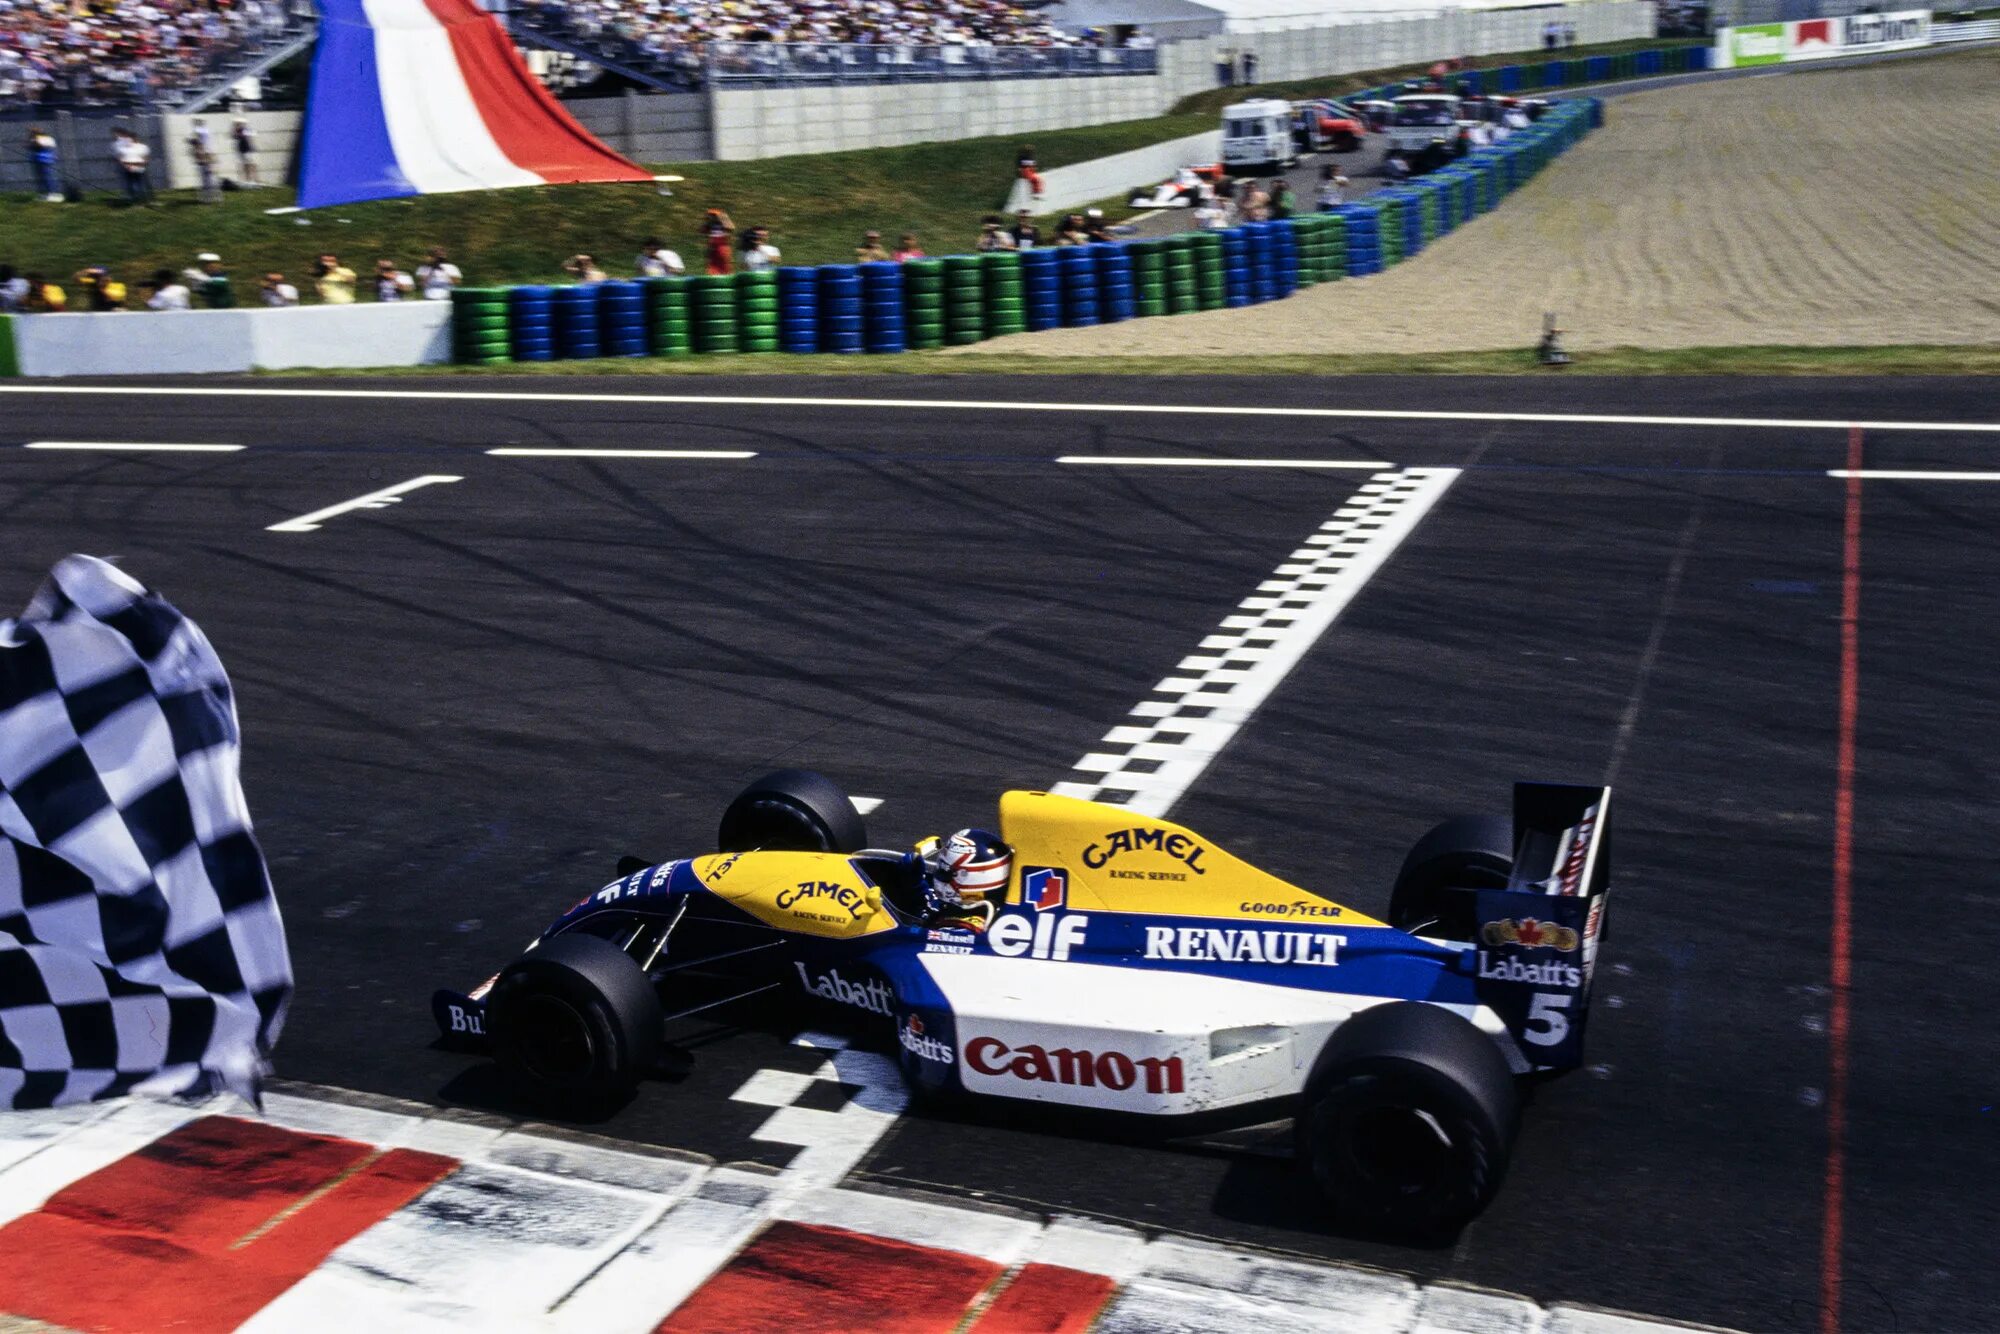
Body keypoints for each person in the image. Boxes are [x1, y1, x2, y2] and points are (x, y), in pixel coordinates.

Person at [913, 829, 1013, 931]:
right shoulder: (1003, 912)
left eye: (944, 871)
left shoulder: (959, 928)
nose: (939, 876)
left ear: (974, 880)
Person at [112, 127, 151, 206]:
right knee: (136, 185)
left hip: (136, 168)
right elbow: (121, 158)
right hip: (133, 168)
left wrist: (128, 165)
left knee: (137, 185)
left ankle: (139, 200)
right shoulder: (139, 147)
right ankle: (138, 200)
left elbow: (146, 159)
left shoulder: (139, 147)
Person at [186, 119, 219, 203]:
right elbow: (195, 143)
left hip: (205, 159)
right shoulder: (204, 135)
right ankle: (208, 198)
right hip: (203, 159)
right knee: (207, 180)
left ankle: (209, 198)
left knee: (208, 180)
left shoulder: (202, 134)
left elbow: (197, 143)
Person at [26, 128, 60, 203]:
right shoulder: (47, 139)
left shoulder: (43, 139)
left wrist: (33, 140)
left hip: (43, 160)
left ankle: (52, 193)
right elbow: (28, 146)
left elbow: (39, 146)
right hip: (38, 160)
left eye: (33, 132)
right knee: (41, 178)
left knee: (46, 177)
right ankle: (43, 194)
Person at [701, 208, 735, 275]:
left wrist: (724, 218)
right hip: (713, 247)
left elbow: (731, 228)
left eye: (714, 215)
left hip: (723, 247)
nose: (712, 217)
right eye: (711, 215)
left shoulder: (723, 223)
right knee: (712, 267)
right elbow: (702, 230)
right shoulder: (709, 225)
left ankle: (727, 277)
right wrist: (707, 221)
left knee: (725, 266)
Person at [232, 118, 258, 186]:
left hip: (247, 150)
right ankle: (247, 180)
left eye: (239, 124)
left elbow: (250, 138)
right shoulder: (238, 131)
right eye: (237, 124)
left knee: (250, 165)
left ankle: (253, 180)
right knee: (244, 166)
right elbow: (234, 136)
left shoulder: (245, 130)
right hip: (242, 151)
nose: (238, 125)